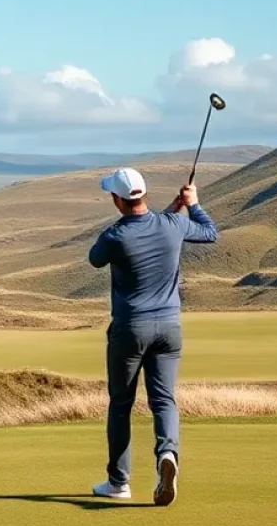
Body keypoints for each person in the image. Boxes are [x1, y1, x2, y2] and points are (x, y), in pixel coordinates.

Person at [87, 167, 217, 506]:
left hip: (130, 328)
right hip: (169, 328)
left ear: (117, 199)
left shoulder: (115, 236)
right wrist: (192, 204)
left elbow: (95, 259)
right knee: (164, 400)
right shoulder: (172, 225)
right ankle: (168, 454)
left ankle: (119, 483)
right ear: (143, 194)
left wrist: (167, 215)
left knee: (120, 405)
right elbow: (209, 232)